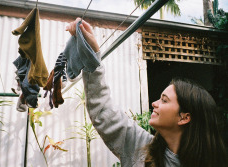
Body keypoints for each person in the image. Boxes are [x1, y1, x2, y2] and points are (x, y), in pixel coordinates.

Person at [66, 18, 227, 167]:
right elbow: (104, 112)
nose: (154, 103)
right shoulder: (140, 148)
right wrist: (92, 54)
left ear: (184, 117)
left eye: (164, 100)